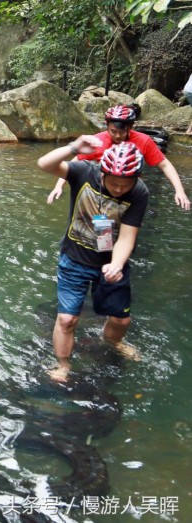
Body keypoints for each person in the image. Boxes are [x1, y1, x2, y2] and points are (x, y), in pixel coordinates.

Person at [37, 140, 149, 382]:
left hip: (111, 262)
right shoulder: (84, 172)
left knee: (121, 319)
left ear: (136, 179)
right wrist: (74, 148)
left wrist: (117, 264)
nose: (119, 189)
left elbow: (128, 236)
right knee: (67, 319)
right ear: (103, 172)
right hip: (74, 258)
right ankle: (63, 365)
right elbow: (44, 164)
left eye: (125, 185)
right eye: (114, 183)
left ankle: (113, 342)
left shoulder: (139, 192)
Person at [47, 104, 190, 210]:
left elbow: (164, 164)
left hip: (130, 191)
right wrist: (58, 186)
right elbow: (74, 163)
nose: (117, 136)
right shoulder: (98, 141)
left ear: (131, 127)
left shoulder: (143, 141)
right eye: (113, 131)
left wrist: (179, 190)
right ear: (107, 126)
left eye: (122, 132)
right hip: (103, 192)